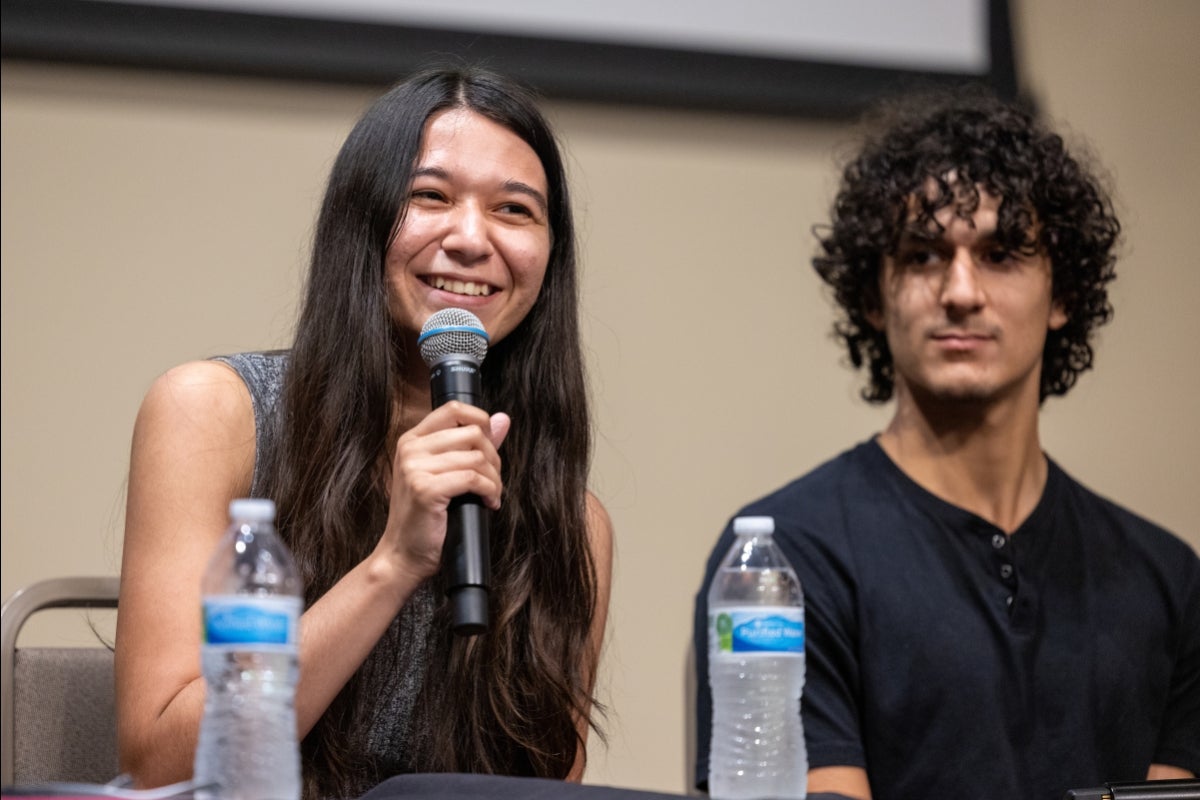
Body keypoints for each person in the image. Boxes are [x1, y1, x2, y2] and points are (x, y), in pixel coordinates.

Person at [115, 66, 613, 800]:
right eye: (430, 197)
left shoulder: (572, 520)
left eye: (514, 210)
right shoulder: (215, 413)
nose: (471, 239)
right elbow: (163, 764)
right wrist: (392, 564)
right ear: (362, 220)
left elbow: (544, 788)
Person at [693, 87, 1200, 800]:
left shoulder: (1166, 581)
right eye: (924, 255)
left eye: (1001, 254)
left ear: (1063, 297)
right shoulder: (781, 567)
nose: (961, 291)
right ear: (874, 294)